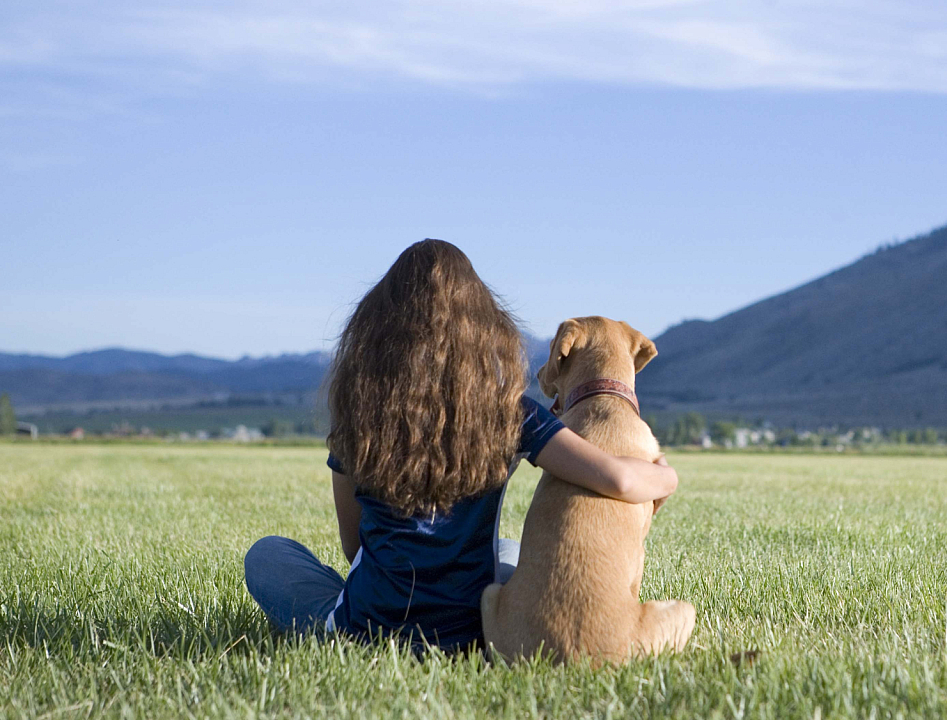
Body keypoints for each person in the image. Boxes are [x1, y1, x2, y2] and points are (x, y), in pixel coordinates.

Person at [244, 240, 677, 652]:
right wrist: (666, 476)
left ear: (377, 328)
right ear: (484, 329)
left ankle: (349, 609)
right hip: (470, 632)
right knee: (509, 554)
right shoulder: (511, 413)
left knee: (267, 555)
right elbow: (619, 479)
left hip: (366, 630)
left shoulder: (359, 411)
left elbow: (355, 546)